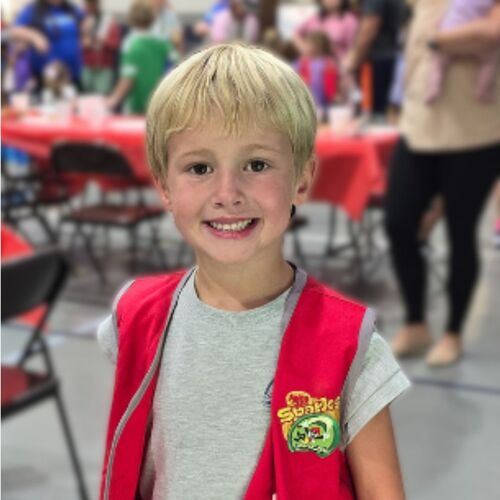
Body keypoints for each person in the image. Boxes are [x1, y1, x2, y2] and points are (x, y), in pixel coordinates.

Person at [97, 43, 409, 499]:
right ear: (164, 187)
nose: (228, 193)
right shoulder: (133, 319)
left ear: (301, 178)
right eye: (199, 167)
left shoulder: (351, 347)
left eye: (256, 165)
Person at [386, 0, 500, 366]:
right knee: (399, 222)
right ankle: (415, 322)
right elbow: (413, 49)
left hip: (475, 130)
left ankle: (453, 331)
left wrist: (439, 40)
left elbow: (490, 33)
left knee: (461, 232)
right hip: (419, 123)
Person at [106, 1, 173, 114]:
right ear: (153, 18)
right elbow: (175, 65)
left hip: (136, 105)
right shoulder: (163, 43)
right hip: (158, 103)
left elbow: (128, 78)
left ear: (131, 17)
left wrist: (112, 100)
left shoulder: (131, 44)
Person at [342, 0, 407, 116]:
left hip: (377, 62)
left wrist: (352, 60)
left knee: (373, 113)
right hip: (387, 58)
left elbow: (369, 28)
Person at [426, 0, 498, 103]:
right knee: (489, 61)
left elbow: (448, 10)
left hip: (451, 35)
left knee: (438, 63)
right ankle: (482, 90)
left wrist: (441, 20)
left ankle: (433, 88)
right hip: (476, 40)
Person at [10, 0, 84, 91]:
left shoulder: (71, 8)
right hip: (46, 77)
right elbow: (14, 31)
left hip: (72, 74)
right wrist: (34, 36)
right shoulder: (33, 9)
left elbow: (82, 25)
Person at [293, 0, 358, 62]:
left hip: (335, 65)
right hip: (311, 65)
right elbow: (296, 33)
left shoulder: (349, 20)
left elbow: (353, 49)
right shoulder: (315, 18)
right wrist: (304, 49)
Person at [293, 30, 339, 116]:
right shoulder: (302, 63)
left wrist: (333, 96)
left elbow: (331, 87)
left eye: (308, 44)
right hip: (304, 104)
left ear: (318, 47)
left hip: (322, 105)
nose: (306, 47)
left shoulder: (327, 63)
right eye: (307, 44)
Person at [81, 0, 121, 95]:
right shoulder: (84, 19)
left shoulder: (109, 21)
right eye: (87, 4)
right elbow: (80, 41)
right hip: (87, 66)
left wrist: (102, 41)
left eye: (92, 3)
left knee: (101, 96)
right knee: (86, 95)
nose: (89, 7)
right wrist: (84, 34)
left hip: (103, 67)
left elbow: (115, 44)